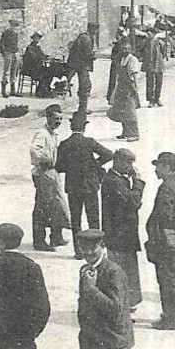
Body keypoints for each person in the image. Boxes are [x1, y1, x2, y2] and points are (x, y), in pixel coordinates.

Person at [76, 228, 134, 349]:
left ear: (102, 247)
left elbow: (116, 309)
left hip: (110, 342)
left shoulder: (113, 272)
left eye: (93, 249)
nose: (88, 253)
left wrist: (92, 289)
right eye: (84, 249)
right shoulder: (85, 270)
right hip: (91, 340)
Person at [56, 112, 113, 258]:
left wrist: (71, 167)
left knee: (76, 220)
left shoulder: (65, 144)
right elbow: (108, 154)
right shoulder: (89, 142)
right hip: (90, 185)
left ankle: (79, 251)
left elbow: (59, 166)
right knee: (93, 218)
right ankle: (96, 249)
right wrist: (95, 164)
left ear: (71, 126)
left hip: (73, 187)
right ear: (84, 127)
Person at [145, 152, 175, 330]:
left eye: (159, 166)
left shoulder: (167, 187)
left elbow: (164, 215)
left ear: (167, 167)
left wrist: (155, 233)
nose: (156, 169)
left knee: (167, 278)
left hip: (164, 241)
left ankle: (170, 318)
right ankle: (173, 314)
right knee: (173, 276)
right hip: (174, 239)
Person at [101, 148, 145, 312]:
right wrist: (138, 183)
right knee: (121, 272)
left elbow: (133, 202)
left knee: (126, 271)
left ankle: (126, 303)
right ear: (118, 161)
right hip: (119, 236)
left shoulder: (119, 180)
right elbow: (133, 202)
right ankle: (120, 306)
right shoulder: (114, 182)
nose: (130, 167)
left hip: (122, 235)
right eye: (128, 163)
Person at [30, 104, 70, 252]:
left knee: (56, 205)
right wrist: (44, 160)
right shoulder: (42, 133)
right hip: (43, 174)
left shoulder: (52, 133)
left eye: (61, 119)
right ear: (48, 117)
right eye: (55, 119)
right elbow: (34, 149)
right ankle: (39, 241)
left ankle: (56, 237)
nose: (58, 122)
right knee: (42, 207)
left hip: (51, 174)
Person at [109, 37, 141, 141]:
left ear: (130, 49)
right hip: (121, 87)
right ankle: (125, 132)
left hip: (129, 87)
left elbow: (134, 75)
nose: (124, 51)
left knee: (130, 111)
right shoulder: (122, 59)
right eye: (123, 49)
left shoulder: (133, 60)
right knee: (122, 110)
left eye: (126, 49)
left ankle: (134, 134)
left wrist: (135, 88)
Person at [67, 25, 96, 116]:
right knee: (85, 86)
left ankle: (83, 107)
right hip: (82, 65)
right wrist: (93, 56)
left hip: (79, 65)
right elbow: (86, 54)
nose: (95, 32)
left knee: (85, 85)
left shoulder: (84, 37)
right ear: (91, 29)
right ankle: (82, 109)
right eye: (95, 30)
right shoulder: (86, 39)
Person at [142, 25, 166, 107]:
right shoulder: (145, 42)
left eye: (150, 34)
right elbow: (141, 52)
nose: (148, 36)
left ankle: (157, 98)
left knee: (159, 82)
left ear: (154, 34)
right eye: (147, 34)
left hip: (158, 64)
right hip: (149, 64)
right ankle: (151, 100)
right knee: (150, 83)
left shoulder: (159, 42)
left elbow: (164, 52)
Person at [23, 33, 53, 97]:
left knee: (50, 71)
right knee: (44, 73)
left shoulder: (38, 48)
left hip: (37, 67)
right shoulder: (30, 48)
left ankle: (44, 89)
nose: (37, 40)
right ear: (33, 39)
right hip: (30, 68)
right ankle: (40, 91)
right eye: (36, 38)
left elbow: (42, 55)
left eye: (38, 39)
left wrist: (47, 57)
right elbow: (34, 58)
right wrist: (41, 58)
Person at [0, 18, 21, 98]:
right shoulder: (6, 33)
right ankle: (3, 90)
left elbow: (16, 45)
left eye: (15, 26)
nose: (14, 28)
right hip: (8, 53)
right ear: (10, 25)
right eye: (13, 26)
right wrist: (4, 53)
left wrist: (17, 52)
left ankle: (13, 90)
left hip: (15, 52)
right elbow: (1, 44)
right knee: (6, 71)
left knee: (14, 71)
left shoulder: (16, 34)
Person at [107, 28, 129, 103]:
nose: (117, 37)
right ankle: (112, 101)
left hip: (121, 66)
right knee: (113, 83)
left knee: (119, 84)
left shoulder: (124, 44)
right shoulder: (117, 45)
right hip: (115, 65)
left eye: (118, 35)